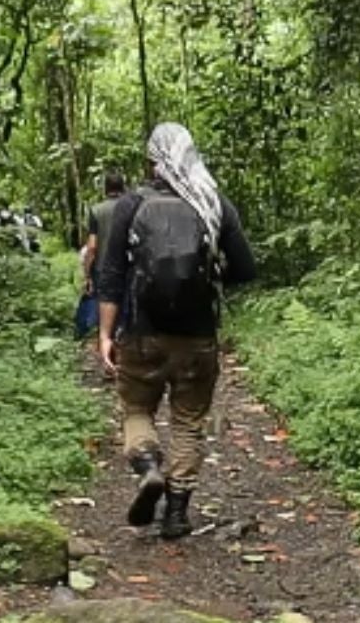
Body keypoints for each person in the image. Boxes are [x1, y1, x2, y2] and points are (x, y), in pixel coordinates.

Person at [96, 123, 256, 539]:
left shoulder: (131, 205)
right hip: (197, 337)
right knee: (187, 421)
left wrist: (105, 335)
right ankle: (177, 513)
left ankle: (149, 468)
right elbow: (246, 270)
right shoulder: (213, 201)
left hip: (141, 334)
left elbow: (110, 274)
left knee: (136, 411)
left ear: (153, 162)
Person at [83, 170, 127, 296]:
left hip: (103, 270)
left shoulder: (96, 210)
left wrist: (87, 276)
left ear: (105, 188)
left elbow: (92, 247)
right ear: (123, 187)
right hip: (127, 269)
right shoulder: (133, 207)